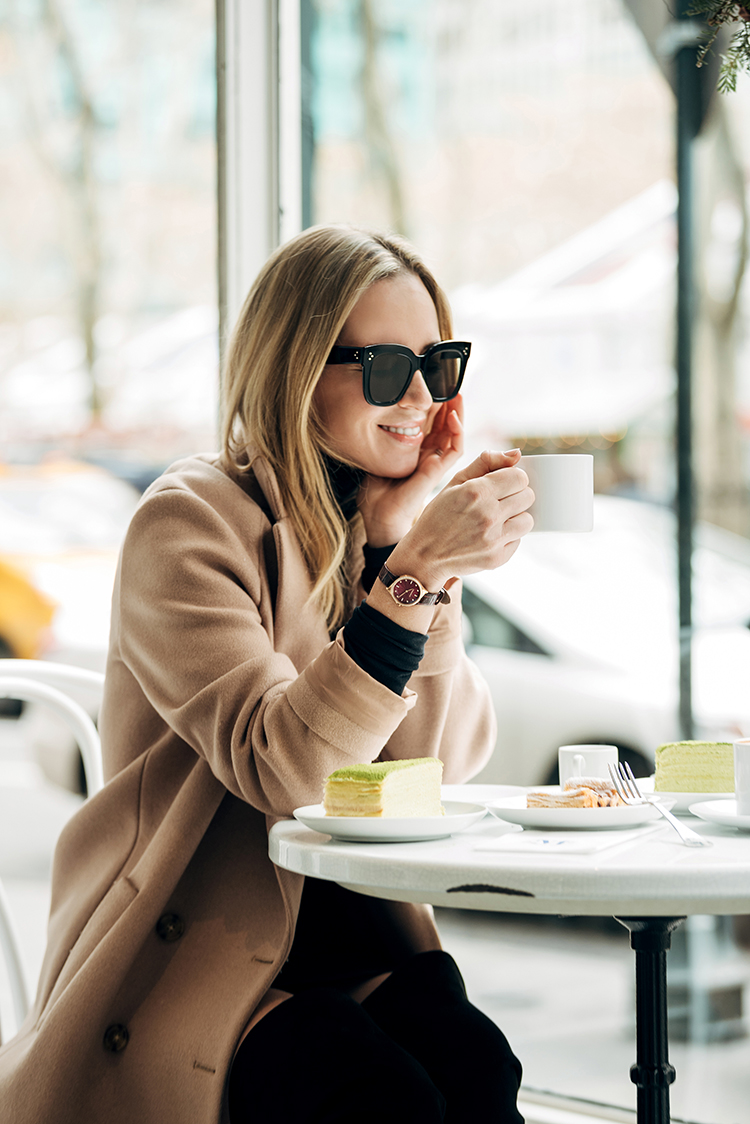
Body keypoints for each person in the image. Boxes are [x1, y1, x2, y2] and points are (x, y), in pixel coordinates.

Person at [0, 225, 534, 1123]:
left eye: (437, 364)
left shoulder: (375, 520)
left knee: (480, 1072)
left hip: (354, 946)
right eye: (383, 366)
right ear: (294, 369)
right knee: (374, 1100)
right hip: (198, 960)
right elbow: (288, 770)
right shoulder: (189, 524)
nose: (415, 396)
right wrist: (414, 580)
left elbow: (434, 765)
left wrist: (402, 554)